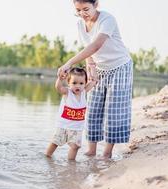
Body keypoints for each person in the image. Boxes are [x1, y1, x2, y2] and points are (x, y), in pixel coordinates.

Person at [58, 0, 133, 158]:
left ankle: (107, 152)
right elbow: (88, 51)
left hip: (120, 66)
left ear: (96, 4)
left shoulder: (107, 19)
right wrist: (91, 68)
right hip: (98, 68)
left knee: (113, 111)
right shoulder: (80, 25)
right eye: (78, 10)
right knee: (92, 109)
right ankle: (91, 150)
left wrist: (69, 63)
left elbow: (96, 45)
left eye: (86, 9)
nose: (82, 13)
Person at [45, 67, 96, 160]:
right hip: (63, 126)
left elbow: (93, 81)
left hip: (76, 128)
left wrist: (92, 71)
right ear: (69, 83)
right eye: (74, 83)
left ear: (85, 84)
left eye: (81, 83)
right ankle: (47, 156)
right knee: (55, 142)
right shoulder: (67, 92)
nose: (78, 86)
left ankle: (71, 163)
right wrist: (60, 79)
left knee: (75, 146)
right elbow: (58, 87)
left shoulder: (84, 92)